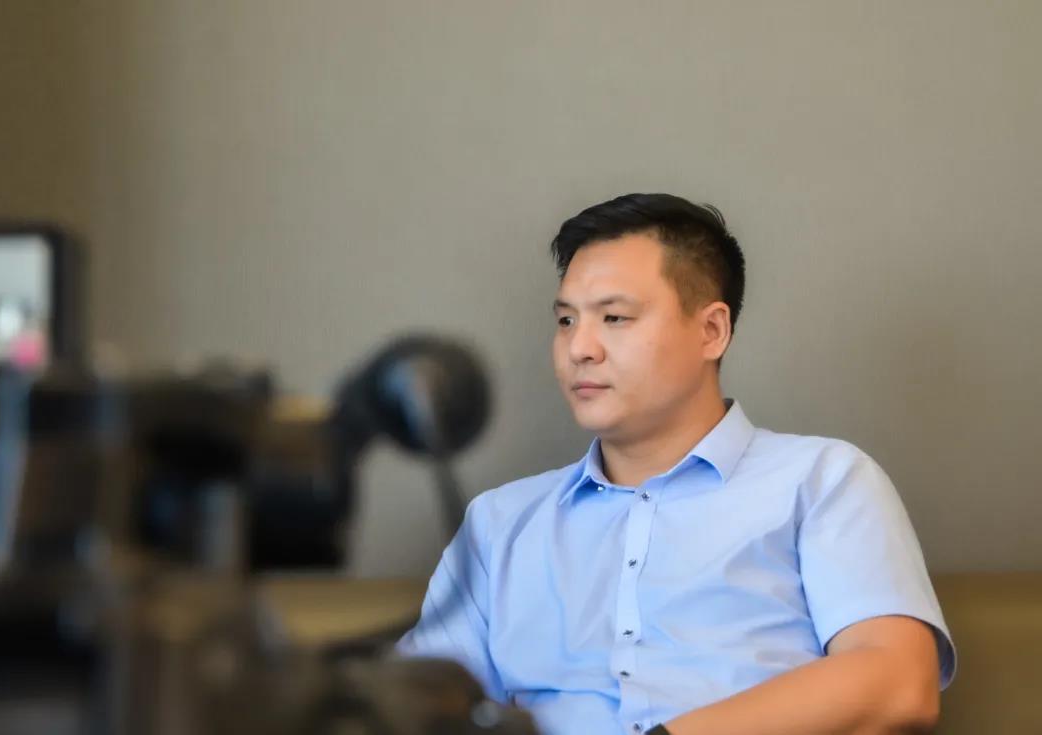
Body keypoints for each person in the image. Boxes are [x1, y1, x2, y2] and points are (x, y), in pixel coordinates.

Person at [396, 193, 955, 735]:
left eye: (614, 318)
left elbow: (897, 684)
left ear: (712, 331)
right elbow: (408, 710)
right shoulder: (499, 525)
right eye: (566, 321)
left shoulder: (823, 481)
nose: (579, 348)